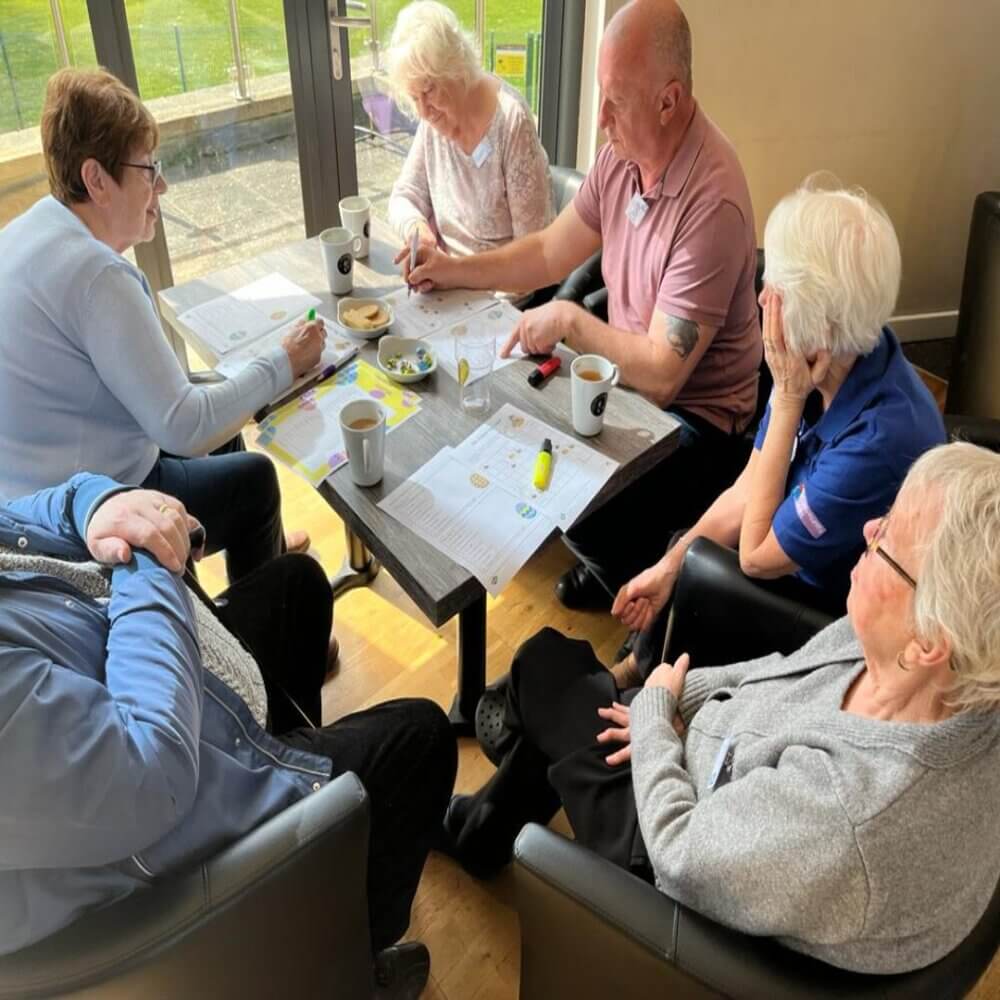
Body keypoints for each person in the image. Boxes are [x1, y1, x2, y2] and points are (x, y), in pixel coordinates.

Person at [440, 442, 1000, 975]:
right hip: (703, 772)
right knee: (564, 688)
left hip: (671, 858)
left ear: (931, 641)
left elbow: (682, 857)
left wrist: (656, 714)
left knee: (543, 665)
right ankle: (493, 812)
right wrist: (675, 701)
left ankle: (497, 788)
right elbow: (778, 671)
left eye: (889, 540)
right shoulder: (923, 661)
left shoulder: (852, 810)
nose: (868, 530)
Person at [0, 474, 456, 998]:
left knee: (298, 585)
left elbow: (27, 517)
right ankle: (346, 962)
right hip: (159, 833)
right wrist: (149, 555)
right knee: (422, 740)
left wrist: (100, 504)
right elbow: (152, 770)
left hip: (114, 692)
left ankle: (310, 816)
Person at [404, 0, 762, 611]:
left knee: (565, 498)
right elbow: (548, 250)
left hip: (699, 423)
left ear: (669, 101)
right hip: (628, 381)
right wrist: (452, 271)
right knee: (520, 436)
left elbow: (660, 377)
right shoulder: (624, 157)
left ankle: (631, 568)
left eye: (614, 101)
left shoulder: (713, 204)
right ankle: (615, 559)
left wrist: (570, 320)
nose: (599, 120)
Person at [611, 181, 947, 683]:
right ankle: (636, 668)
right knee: (687, 545)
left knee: (704, 564)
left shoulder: (876, 437)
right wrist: (670, 565)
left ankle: (641, 686)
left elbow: (755, 557)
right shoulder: (833, 355)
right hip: (792, 552)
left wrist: (787, 398)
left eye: (777, 292)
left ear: (821, 326)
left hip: (839, 626)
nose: (763, 298)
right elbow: (749, 486)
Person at [0, 67, 326, 583]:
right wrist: (285, 361)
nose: (163, 185)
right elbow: (183, 423)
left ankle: (262, 542)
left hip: (33, 486)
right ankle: (262, 640)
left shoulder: (34, 227)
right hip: (85, 513)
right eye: (149, 170)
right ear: (96, 180)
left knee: (227, 436)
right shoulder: (98, 275)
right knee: (256, 480)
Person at [384, 1, 552, 269]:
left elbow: (532, 256)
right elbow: (404, 195)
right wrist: (418, 231)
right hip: (447, 287)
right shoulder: (434, 121)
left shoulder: (511, 122)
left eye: (428, 92)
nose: (422, 111)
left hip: (501, 296)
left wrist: (459, 281)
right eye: (414, 97)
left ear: (456, 70)